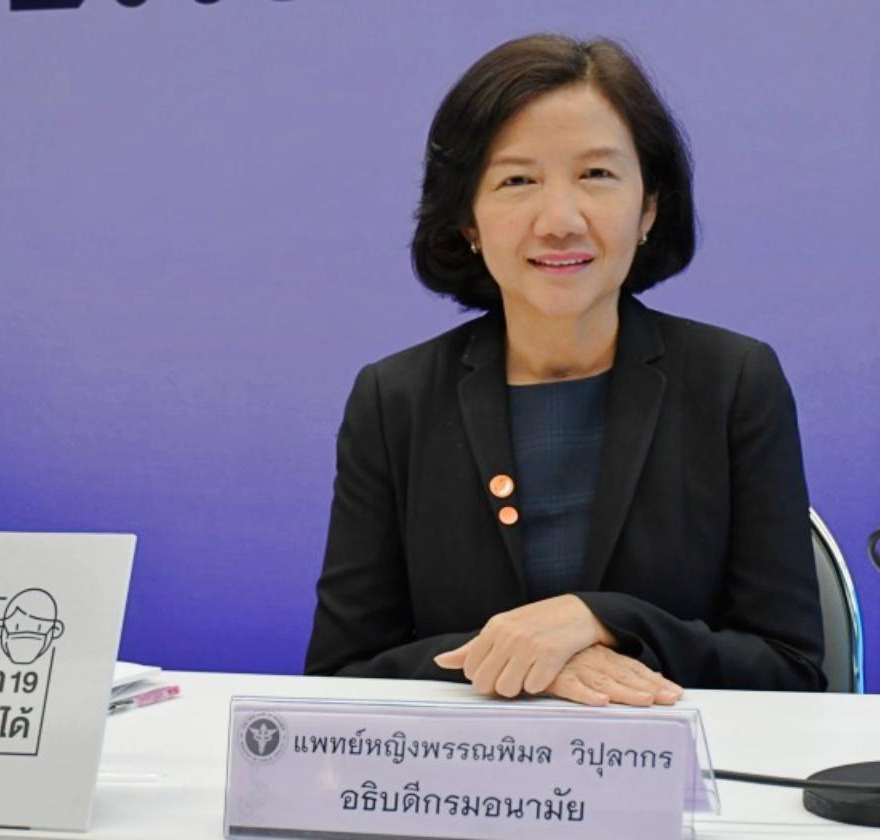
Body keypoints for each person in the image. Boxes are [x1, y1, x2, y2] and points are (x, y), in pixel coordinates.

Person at [304, 34, 825, 706]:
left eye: (596, 175)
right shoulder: (394, 400)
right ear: (467, 220)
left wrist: (602, 621)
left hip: (673, 768)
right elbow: (339, 678)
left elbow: (792, 671)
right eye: (517, 180)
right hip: (466, 769)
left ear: (649, 207)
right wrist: (523, 664)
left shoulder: (734, 383)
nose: (559, 220)